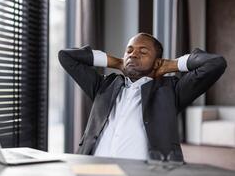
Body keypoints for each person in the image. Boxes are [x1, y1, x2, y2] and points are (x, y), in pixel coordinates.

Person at [58, 33, 227, 162]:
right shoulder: (103, 86)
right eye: (129, 51)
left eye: (143, 51)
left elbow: (215, 64)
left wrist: (174, 64)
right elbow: (66, 56)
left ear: (157, 62)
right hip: (93, 172)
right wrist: (116, 62)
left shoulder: (171, 91)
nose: (133, 54)